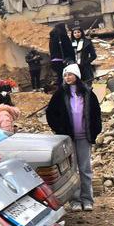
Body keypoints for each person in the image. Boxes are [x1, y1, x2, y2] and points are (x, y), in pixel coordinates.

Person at [45, 64, 102, 212]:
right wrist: (60, 130)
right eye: (65, 75)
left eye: (70, 74)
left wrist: (95, 132)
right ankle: (75, 200)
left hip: (84, 137)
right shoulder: (60, 94)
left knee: (85, 169)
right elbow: (51, 114)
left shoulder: (88, 93)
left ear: (77, 75)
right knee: (71, 170)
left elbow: (96, 114)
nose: (67, 77)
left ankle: (87, 199)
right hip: (68, 139)